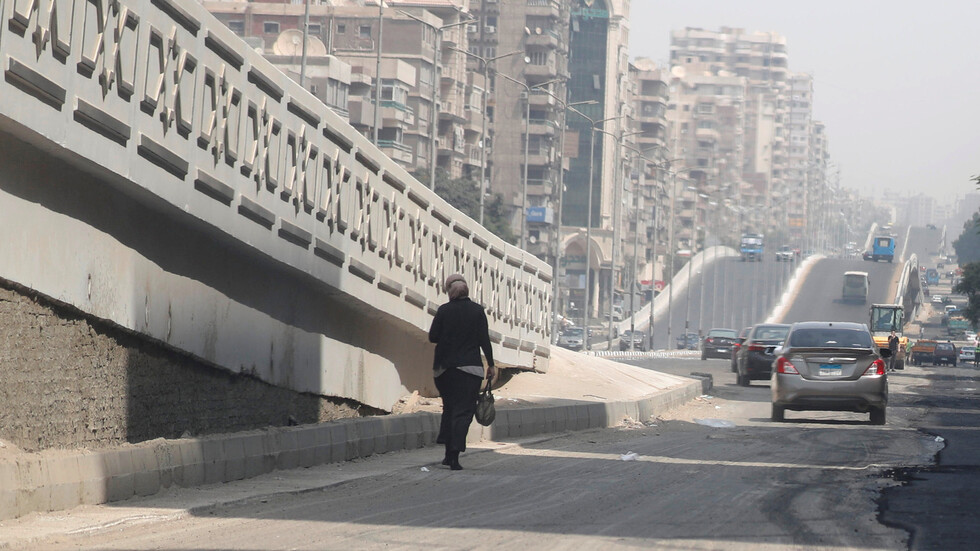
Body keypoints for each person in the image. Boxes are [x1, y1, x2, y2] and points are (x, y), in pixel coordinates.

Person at [428, 274, 495, 471]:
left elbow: (433, 337)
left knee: (449, 409)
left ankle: (448, 454)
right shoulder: (477, 311)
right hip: (470, 370)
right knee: (463, 412)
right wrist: (490, 365)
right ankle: (455, 455)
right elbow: (484, 340)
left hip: (444, 370)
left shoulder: (444, 310)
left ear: (449, 292)